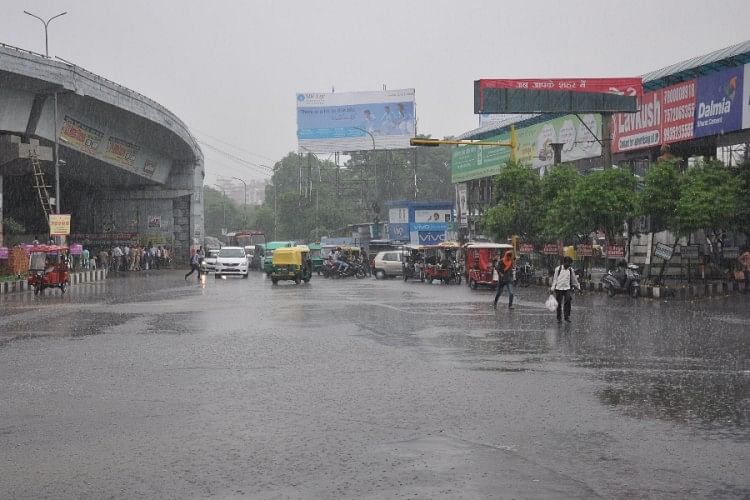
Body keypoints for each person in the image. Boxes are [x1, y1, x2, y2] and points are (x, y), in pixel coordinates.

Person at [550, 256, 581, 323]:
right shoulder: (558, 269)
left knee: (568, 301)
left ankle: (566, 317)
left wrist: (578, 287)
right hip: (559, 288)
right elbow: (555, 279)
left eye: (570, 264)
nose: (569, 265)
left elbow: (574, 280)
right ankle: (559, 318)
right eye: (568, 263)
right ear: (564, 262)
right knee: (559, 304)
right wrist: (552, 288)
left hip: (567, 288)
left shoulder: (570, 270)